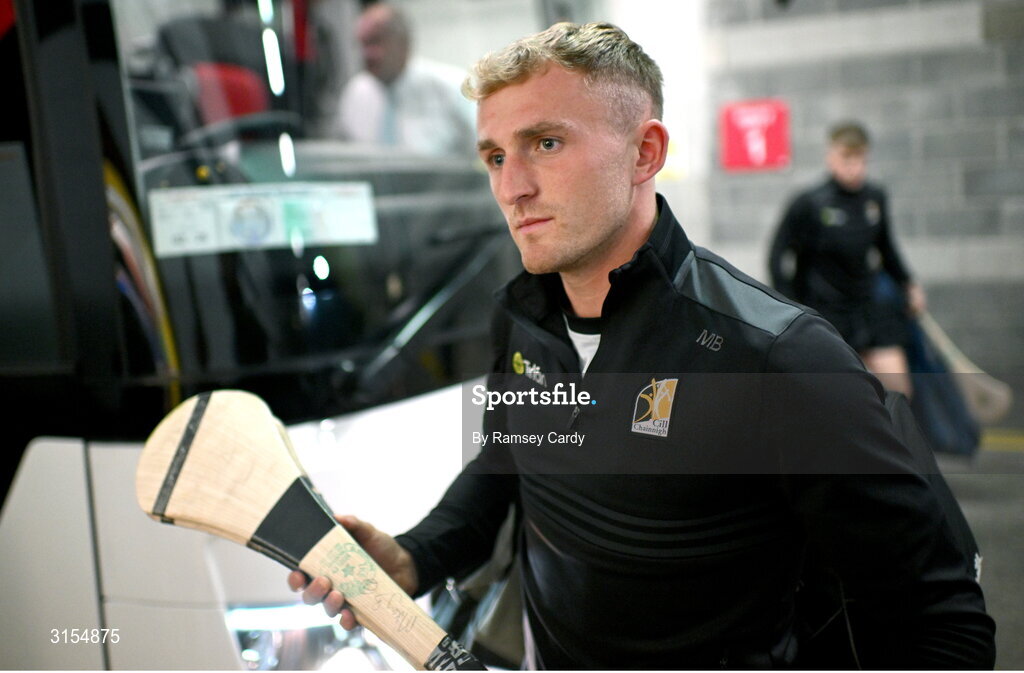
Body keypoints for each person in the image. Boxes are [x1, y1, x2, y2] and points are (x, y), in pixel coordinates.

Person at [292, 22, 995, 668]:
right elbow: (506, 465)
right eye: (495, 155)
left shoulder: (775, 357)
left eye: (546, 142)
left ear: (645, 152)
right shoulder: (521, 317)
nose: (512, 186)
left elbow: (943, 622)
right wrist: (412, 555)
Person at [769, 123, 926, 397]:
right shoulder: (809, 203)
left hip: (866, 306)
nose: (854, 167)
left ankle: (895, 438)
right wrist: (790, 308)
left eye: (861, 159)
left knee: (900, 391)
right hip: (825, 313)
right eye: (846, 158)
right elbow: (777, 257)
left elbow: (887, 249)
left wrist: (909, 285)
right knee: (838, 397)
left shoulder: (874, 198)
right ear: (831, 157)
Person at [332, 2, 476, 156]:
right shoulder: (356, 93)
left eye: (375, 41)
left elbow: (485, 152)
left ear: (403, 42)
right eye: (361, 44)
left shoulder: (451, 87)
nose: (365, 54)